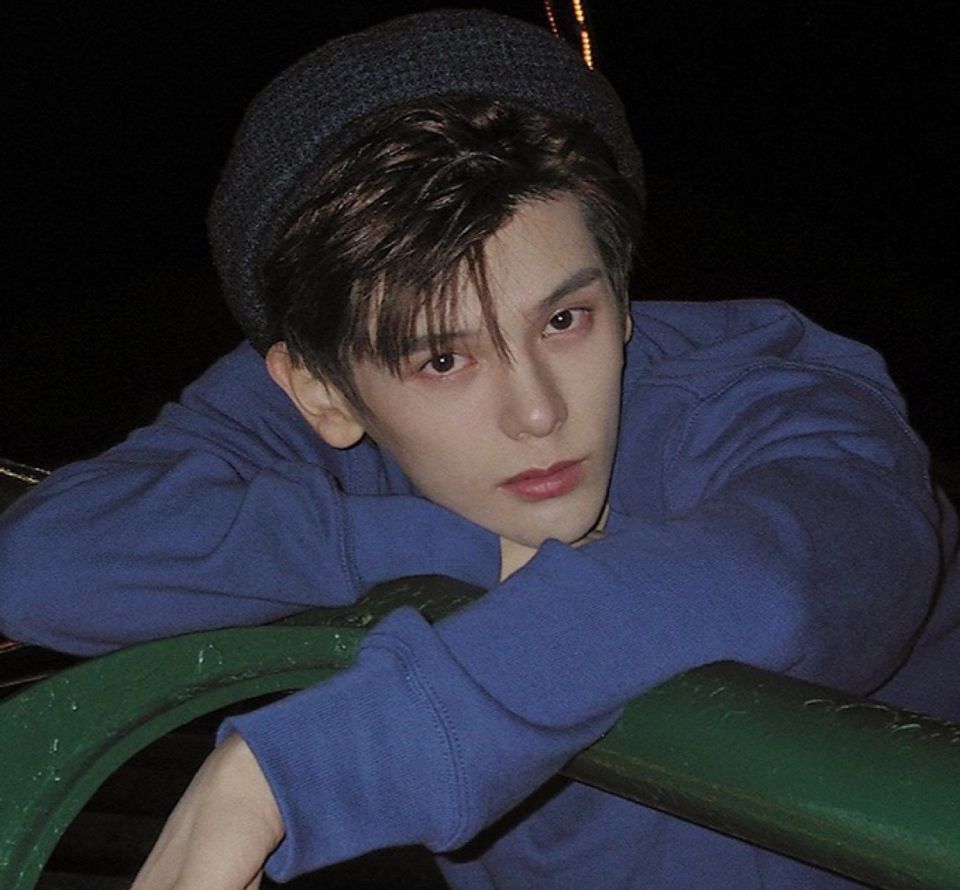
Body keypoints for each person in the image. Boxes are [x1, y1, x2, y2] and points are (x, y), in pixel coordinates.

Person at [1, 9, 958, 889]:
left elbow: (792, 571)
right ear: (320, 393)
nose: (537, 413)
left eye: (565, 320)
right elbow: (42, 560)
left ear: (622, 291)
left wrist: (296, 773)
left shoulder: (766, 393)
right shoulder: (325, 390)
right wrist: (453, 552)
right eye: (444, 359)